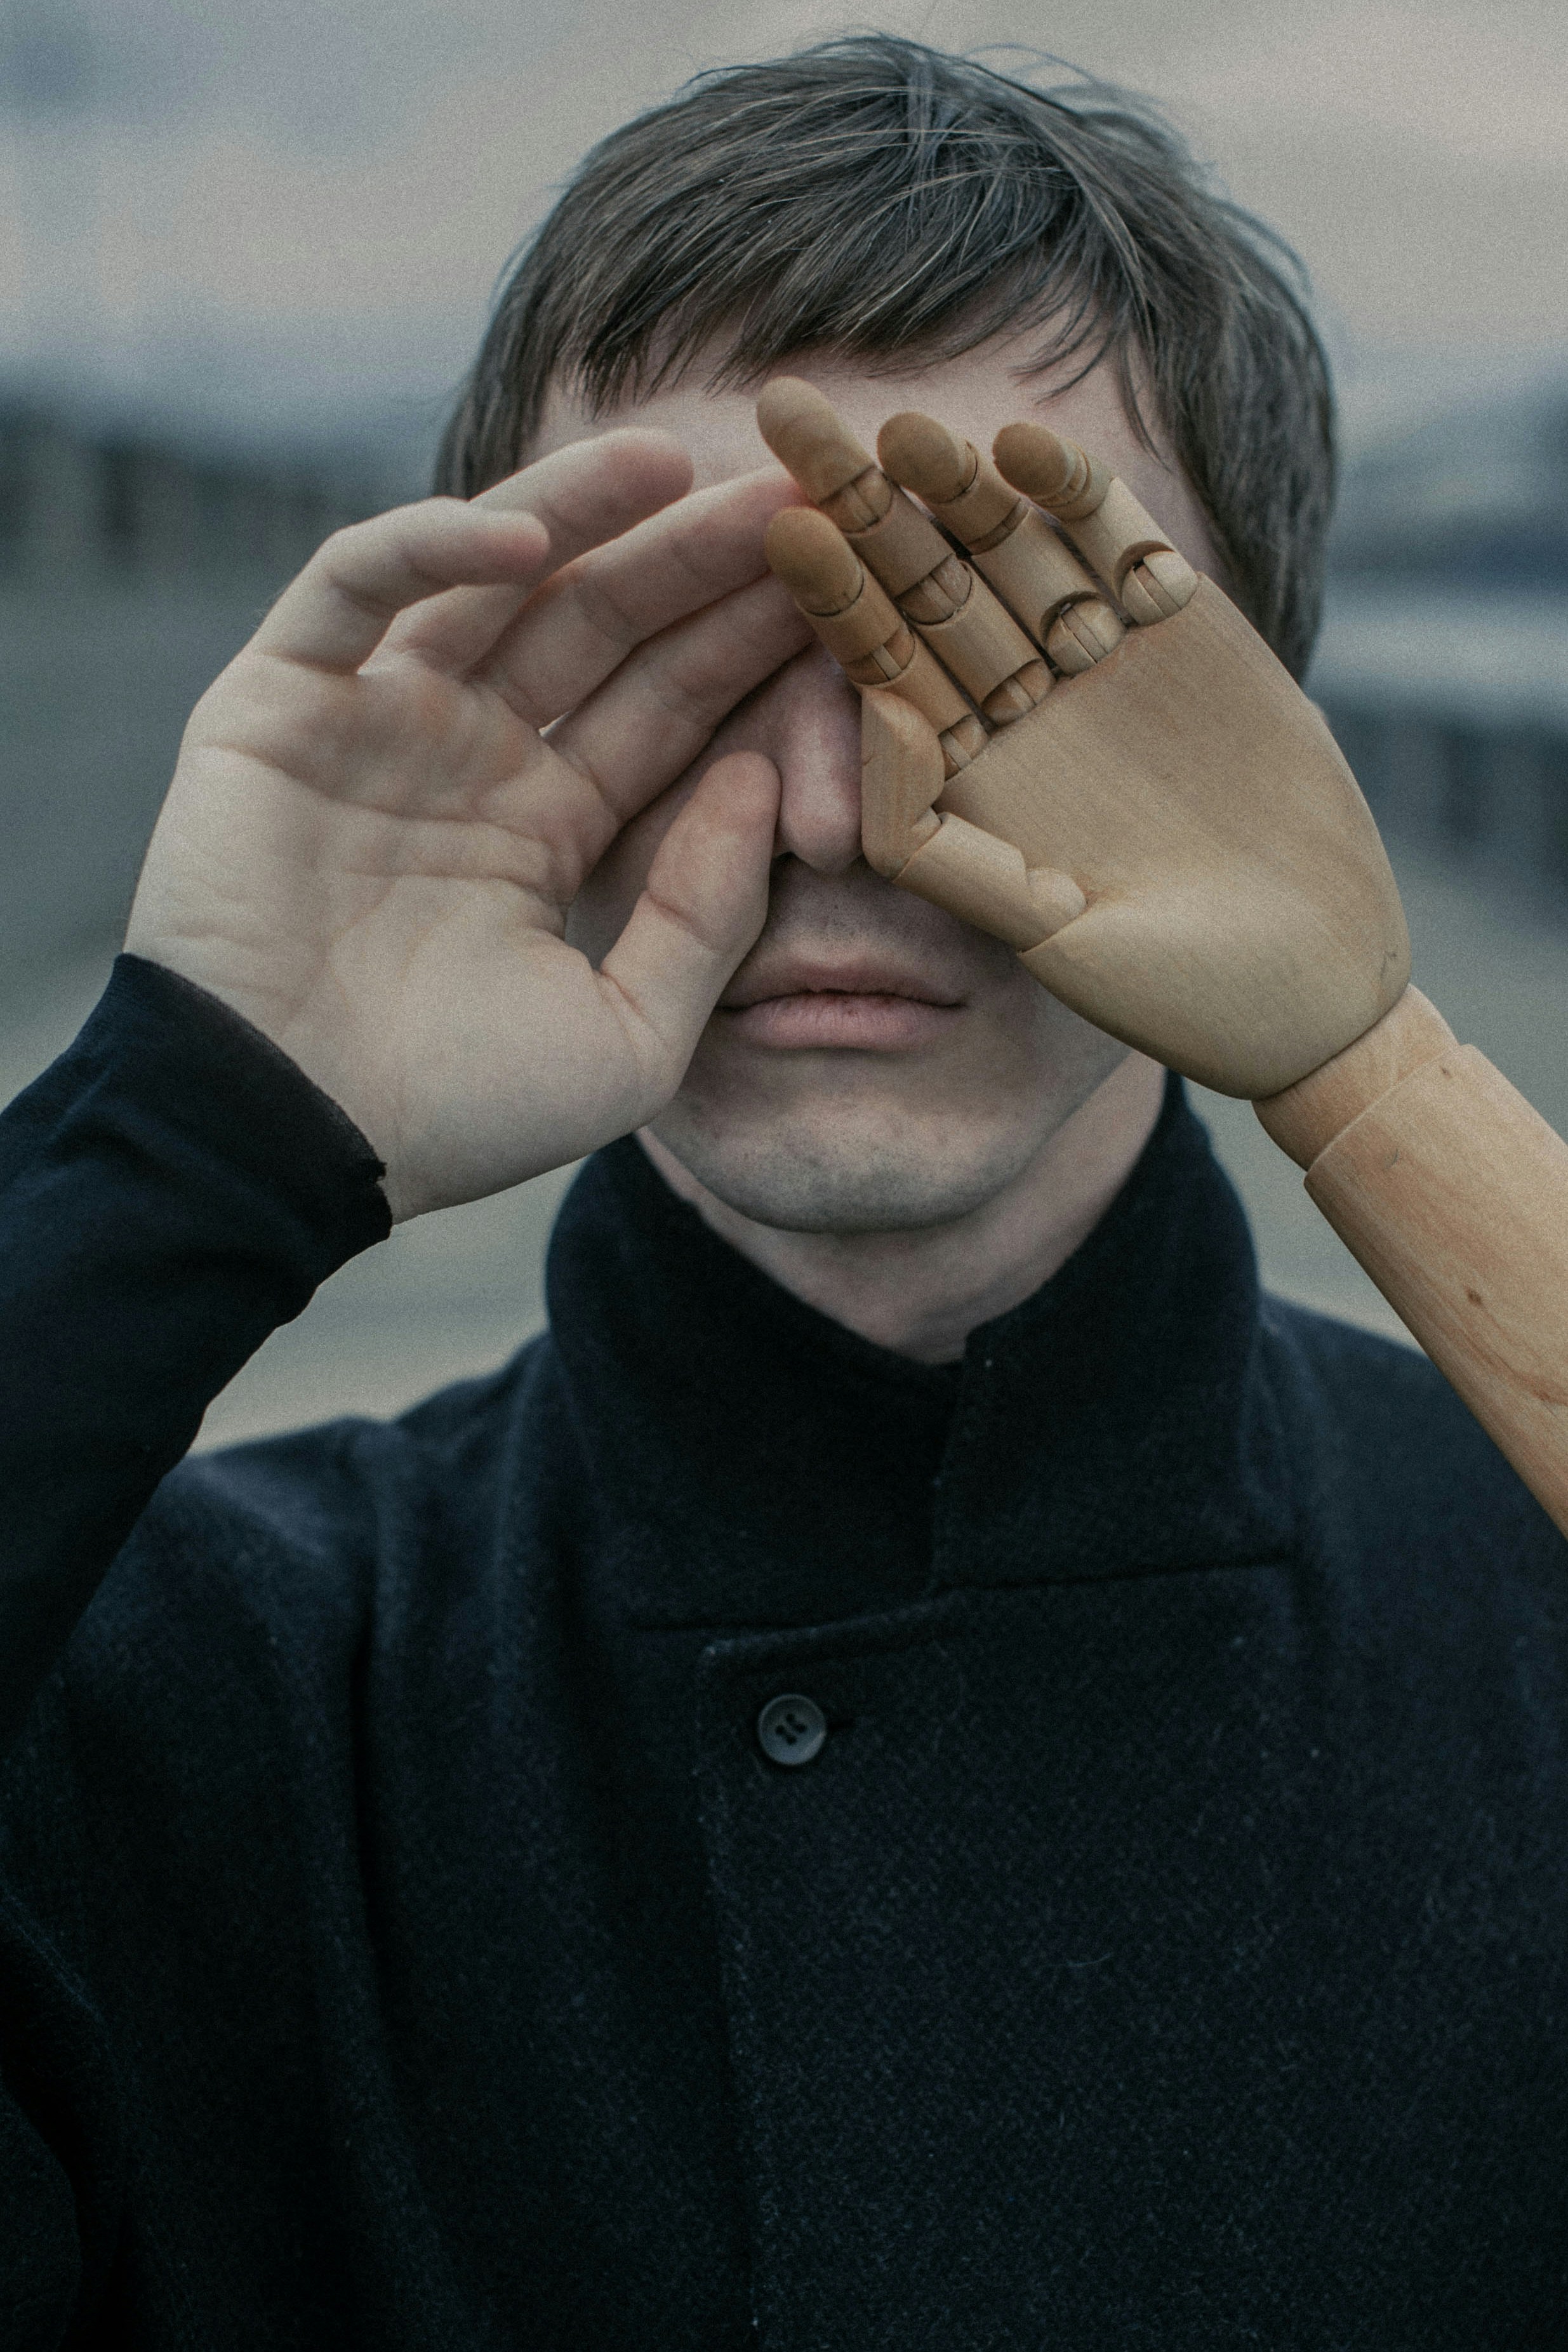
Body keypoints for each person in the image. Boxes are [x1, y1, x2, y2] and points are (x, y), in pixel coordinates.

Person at [2, 35, 1565, 2349]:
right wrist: (189, 1126)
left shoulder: (1533, 1605)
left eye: (1002, 639)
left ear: (1292, 740)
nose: (842, 810)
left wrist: (1381, 1070)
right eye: (689, 642)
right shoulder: (174, 1686)